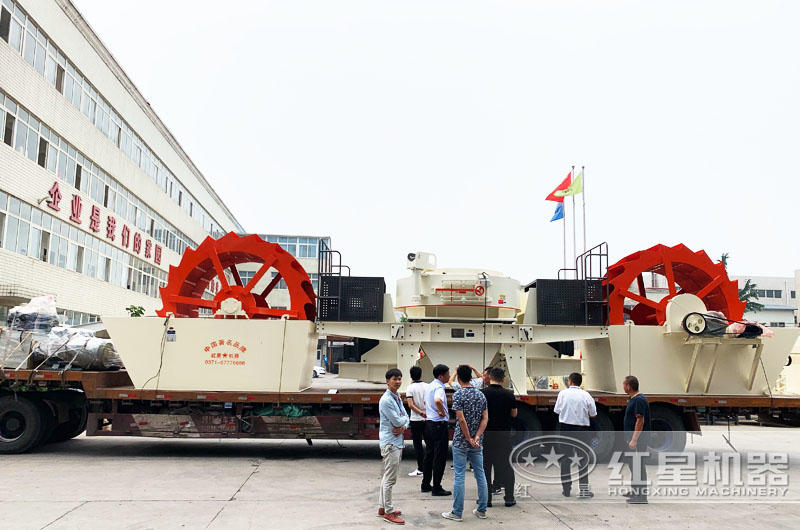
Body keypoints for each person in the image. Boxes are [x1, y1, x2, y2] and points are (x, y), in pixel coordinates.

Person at [442, 364, 489, 522]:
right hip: (477, 441)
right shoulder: (481, 395)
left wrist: (468, 437)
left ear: (459, 378)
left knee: (459, 476)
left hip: (461, 441)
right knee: (480, 474)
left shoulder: (458, 395)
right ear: (470, 376)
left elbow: (461, 420)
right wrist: (477, 436)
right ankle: (482, 509)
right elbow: (485, 418)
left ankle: (457, 512)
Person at [553, 372, 597, 499]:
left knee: (565, 459)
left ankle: (566, 489)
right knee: (582, 460)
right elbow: (593, 414)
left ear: (570, 381)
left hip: (566, 429)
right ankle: (583, 490)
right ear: (580, 383)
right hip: (582, 430)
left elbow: (557, 410)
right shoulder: (586, 395)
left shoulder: (563, 393)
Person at [481, 367, 518, 508]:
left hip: (487, 435)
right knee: (507, 467)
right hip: (503, 436)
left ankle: (487, 500)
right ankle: (509, 498)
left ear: (490, 377)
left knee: (485, 468)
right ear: (503, 379)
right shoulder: (509, 394)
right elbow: (514, 414)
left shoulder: (482, 393)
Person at [378, 368, 409, 524]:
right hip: (391, 443)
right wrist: (403, 423)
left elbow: (406, 417)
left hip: (396, 441)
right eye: (394, 379)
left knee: (387, 477)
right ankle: (389, 513)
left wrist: (403, 425)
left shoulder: (396, 397)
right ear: (387, 381)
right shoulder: (386, 400)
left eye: (399, 378)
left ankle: (382, 507)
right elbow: (397, 421)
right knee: (390, 479)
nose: (398, 381)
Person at [422, 364, 452, 496]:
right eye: (448, 374)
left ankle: (425, 484)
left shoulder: (430, 386)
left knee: (429, 455)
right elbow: (438, 400)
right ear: (441, 376)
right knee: (439, 456)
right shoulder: (439, 387)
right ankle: (437, 487)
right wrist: (441, 412)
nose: (449, 376)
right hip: (439, 424)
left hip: (429, 423)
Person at [622, 375, 651, 504]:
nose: (623, 387)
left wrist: (634, 439)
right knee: (633, 465)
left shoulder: (639, 400)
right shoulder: (633, 399)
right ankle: (635, 491)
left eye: (624, 385)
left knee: (638, 466)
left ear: (629, 386)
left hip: (639, 440)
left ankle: (641, 497)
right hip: (632, 439)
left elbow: (640, 421)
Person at [405, 366, 428, 477]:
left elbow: (410, 405)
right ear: (421, 374)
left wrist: (420, 413)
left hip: (416, 419)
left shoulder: (410, 388)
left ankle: (420, 469)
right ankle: (430, 467)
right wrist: (425, 413)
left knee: (418, 445)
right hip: (427, 418)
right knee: (429, 443)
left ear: (411, 376)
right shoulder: (427, 386)